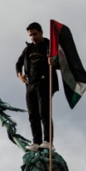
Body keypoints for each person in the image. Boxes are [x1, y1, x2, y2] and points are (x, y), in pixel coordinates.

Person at [15, 22, 58, 151]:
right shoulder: (28, 49)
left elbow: (60, 61)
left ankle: (48, 141)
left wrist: (54, 61)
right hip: (30, 84)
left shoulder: (48, 45)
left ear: (41, 33)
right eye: (30, 35)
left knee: (44, 112)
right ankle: (36, 142)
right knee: (33, 114)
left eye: (35, 34)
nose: (33, 37)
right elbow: (18, 62)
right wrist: (20, 75)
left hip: (44, 82)